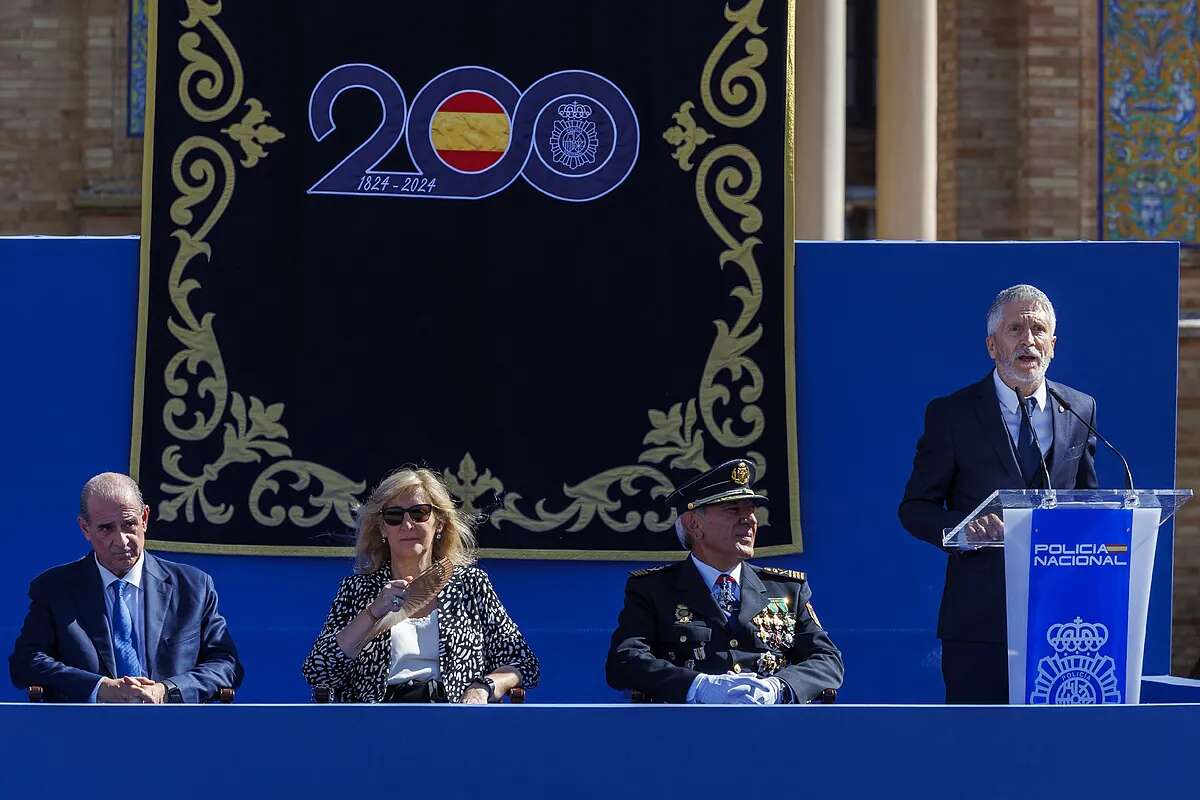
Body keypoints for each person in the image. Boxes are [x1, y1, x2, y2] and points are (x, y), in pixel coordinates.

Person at [898, 284, 1098, 704]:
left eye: (1039, 330)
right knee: (977, 748)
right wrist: (965, 529)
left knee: (1051, 746)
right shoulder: (951, 415)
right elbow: (916, 508)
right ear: (992, 345)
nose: (1029, 340)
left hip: (1059, 619)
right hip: (979, 624)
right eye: (1015, 330)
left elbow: (1086, 502)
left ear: (1053, 345)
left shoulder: (1079, 409)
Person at [606, 458, 843, 703]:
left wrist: (778, 688)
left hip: (772, 730)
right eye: (733, 510)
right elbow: (625, 660)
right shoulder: (653, 589)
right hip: (686, 732)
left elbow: (826, 660)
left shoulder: (786, 589)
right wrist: (699, 687)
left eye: (751, 510)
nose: (749, 520)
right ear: (694, 524)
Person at [302, 466, 539, 702]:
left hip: (454, 718)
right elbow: (318, 671)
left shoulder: (471, 585)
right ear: (382, 528)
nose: (407, 525)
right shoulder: (357, 589)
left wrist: (484, 687)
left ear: (440, 522)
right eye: (394, 516)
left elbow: (522, 662)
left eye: (419, 513)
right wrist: (373, 612)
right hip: (377, 721)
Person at [9, 472, 243, 702]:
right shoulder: (55, 589)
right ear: (85, 529)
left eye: (129, 524)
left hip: (173, 728)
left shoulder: (193, 587)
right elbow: (26, 662)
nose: (121, 540)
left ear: (145, 519)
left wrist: (166, 691)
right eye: (106, 528)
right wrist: (101, 688)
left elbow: (225, 664)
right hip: (85, 730)